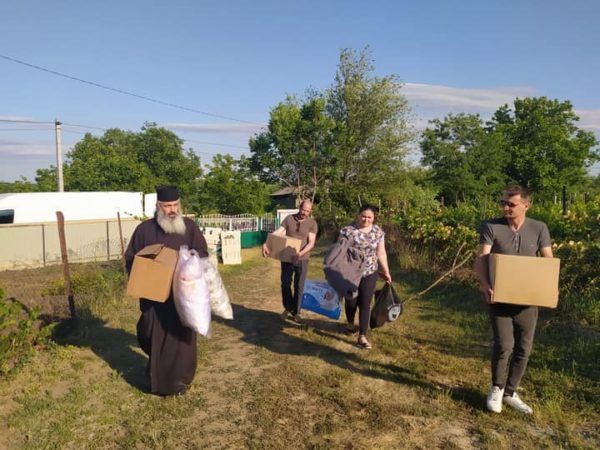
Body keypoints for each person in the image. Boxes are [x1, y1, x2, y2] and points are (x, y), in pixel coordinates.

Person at [474, 185, 553, 414]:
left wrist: (549, 288)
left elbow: (548, 260)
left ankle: (510, 392)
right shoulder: (491, 226)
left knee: (524, 348)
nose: (505, 207)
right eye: (503, 203)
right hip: (499, 296)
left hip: (527, 299)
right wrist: (485, 285)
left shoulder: (539, 228)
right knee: (504, 345)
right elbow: (481, 258)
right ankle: (497, 388)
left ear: (526, 205)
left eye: (511, 204)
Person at [125, 185, 208, 396]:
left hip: (183, 297)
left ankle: (179, 382)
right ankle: (157, 374)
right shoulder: (144, 230)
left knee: (181, 342)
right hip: (153, 299)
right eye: (167, 206)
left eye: (175, 205)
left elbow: (202, 252)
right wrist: (146, 273)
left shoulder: (189, 227)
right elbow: (131, 258)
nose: (172, 210)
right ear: (158, 206)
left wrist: (190, 260)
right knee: (148, 333)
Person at [337, 204, 392, 349]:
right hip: (350, 273)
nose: (366, 220)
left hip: (370, 272)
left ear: (374, 218)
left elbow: (381, 253)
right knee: (351, 301)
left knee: (365, 303)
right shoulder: (347, 231)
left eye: (369, 217)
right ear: (358, 215)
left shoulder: (378, 232)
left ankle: (362, 335)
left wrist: (386, 271)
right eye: (363, 216)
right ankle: (350, 322)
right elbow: (339, 251)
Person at [262, 199, 317, 323]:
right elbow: (278, 232)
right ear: (299, 207)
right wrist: (266, 243)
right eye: (303, 210)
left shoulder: (312, 223)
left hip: (302, 259)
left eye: (307, 211)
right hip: (287, 258)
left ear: (310, 211)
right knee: (285, 283)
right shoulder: (289, 219)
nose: (304, 213)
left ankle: (297, 312)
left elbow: (311, 243)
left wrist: (300, 253)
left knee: (299, 286)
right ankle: (288, 307)